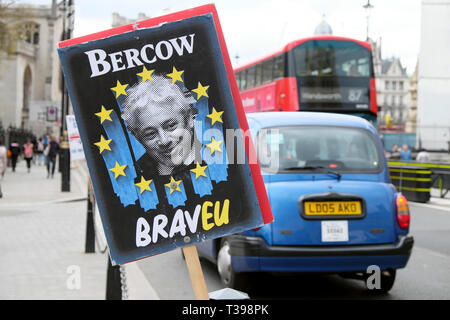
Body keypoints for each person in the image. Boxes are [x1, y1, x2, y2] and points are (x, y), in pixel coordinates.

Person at [121, 74, 199, 176]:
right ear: (136, 136)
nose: (164, 140)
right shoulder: (133, 176)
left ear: (189, 118)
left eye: (171, 126)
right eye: (150, 133)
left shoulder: (218, 159)